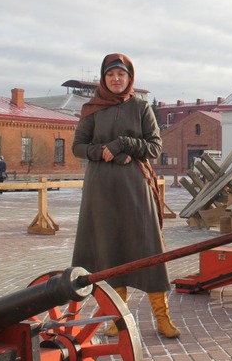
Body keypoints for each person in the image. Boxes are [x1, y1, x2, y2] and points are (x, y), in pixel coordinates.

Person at [71, 53, 180, 339]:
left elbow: (155, 147)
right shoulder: (92, 109)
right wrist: (101, 151)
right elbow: (78, 146)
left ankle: (162, 317)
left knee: (149, 248)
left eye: (121, 75)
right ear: (104, 79)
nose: (116, 79)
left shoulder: (142, 108)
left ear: (130, 78)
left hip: (135, 187)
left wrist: (122, 144)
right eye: (111, 75)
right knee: (110, 251)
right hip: (101, 189)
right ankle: (116, 319)